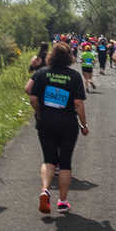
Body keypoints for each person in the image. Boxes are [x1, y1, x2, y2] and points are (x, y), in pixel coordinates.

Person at [26, 42, 89, 214]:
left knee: (49, 160)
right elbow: (78, 103)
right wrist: (84, 125)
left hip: (46, 121)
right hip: (68, 123)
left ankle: (45, 189)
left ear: (51, 57)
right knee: (66, 162)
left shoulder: (41, 73)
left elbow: (32, 98)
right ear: (69, 58)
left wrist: (39, 112)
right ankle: (62, 201)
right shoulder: (74, 76)